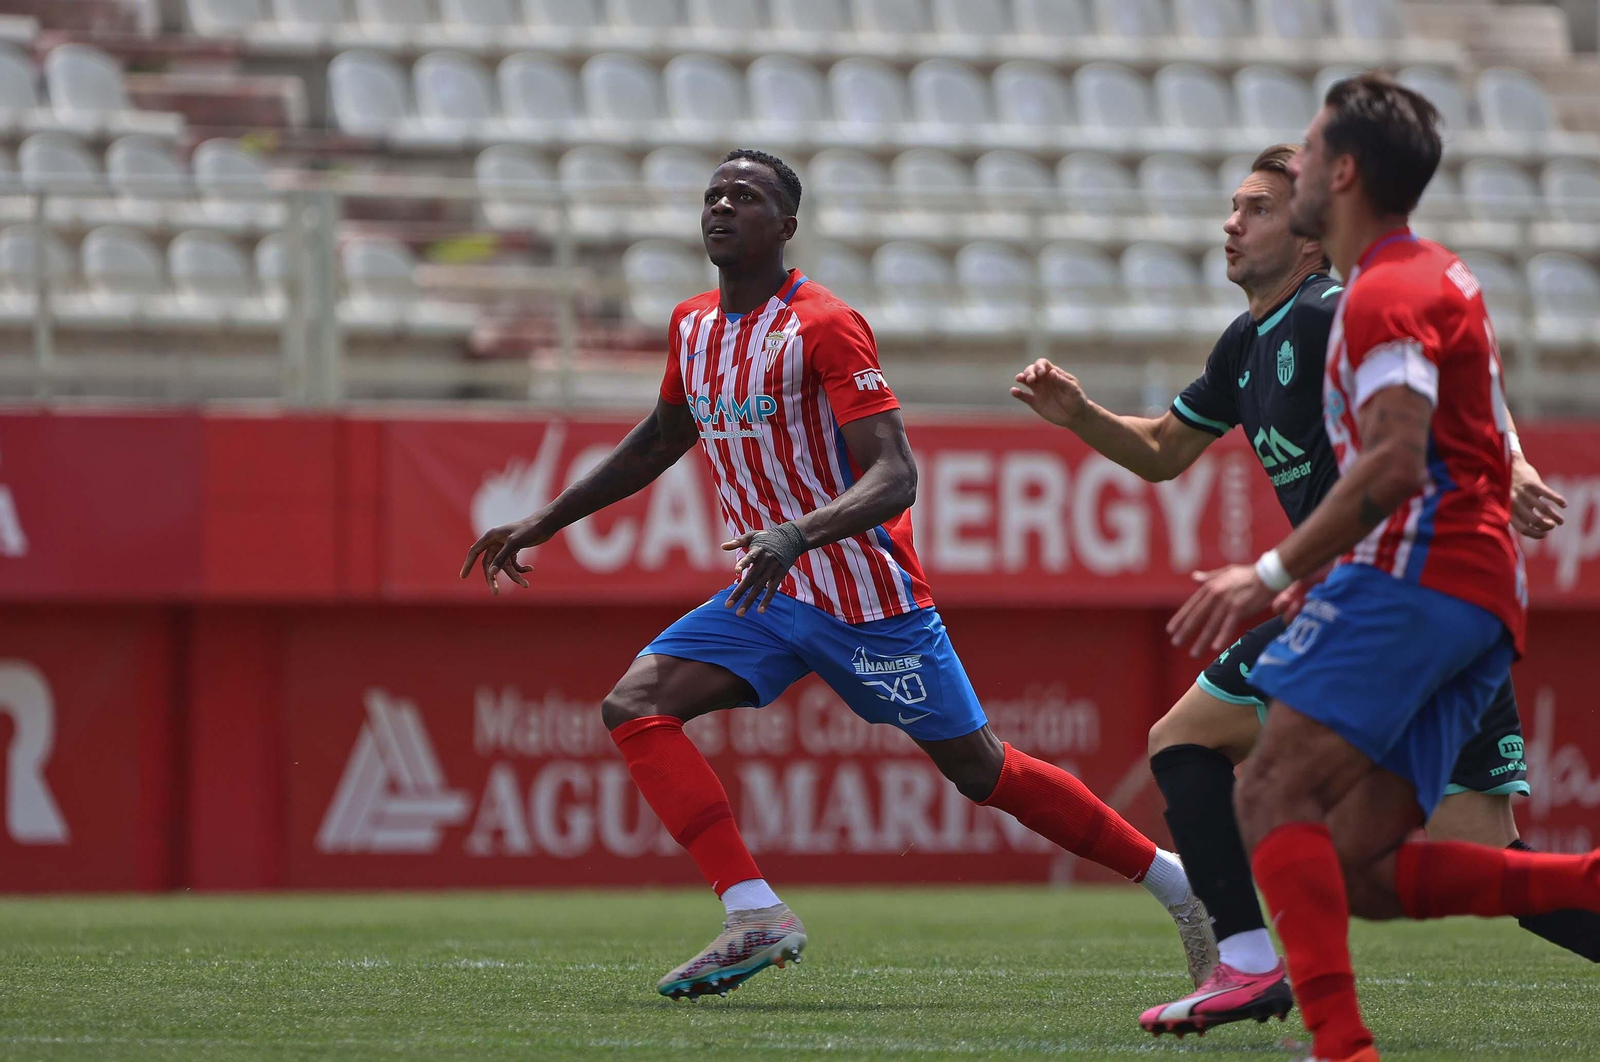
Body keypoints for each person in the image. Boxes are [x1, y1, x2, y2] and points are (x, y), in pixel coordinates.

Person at [461, 148, 1217, 1001]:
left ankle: (1178, 883)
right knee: (636, 703)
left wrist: (796, 532)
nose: (720, 207)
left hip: (865, 597)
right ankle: (753, 912)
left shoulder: (824, 323)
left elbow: (896, 473)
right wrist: (545, 519)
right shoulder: (693, 326)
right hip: (769, 591)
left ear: (784, 227)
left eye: (742, 197)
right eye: (712, 195)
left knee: (981, 771)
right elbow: (661, 440)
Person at [1011, 143, 1596, 1039]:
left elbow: (1449, 371)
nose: (1230, 224)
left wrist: (1508, 461)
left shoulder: (1335, 311)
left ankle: (1254, 971)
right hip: (1390, 610)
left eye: (1256, 208)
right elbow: (1167, 450)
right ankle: (1282, 989)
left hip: (1381, 598)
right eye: (1232, 207)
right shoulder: (1247, 343)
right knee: (1491, 870)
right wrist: (1082, 415)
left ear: (1311, 236)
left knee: (1194, 746)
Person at [1162, 74, 1600, 1062]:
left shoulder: (1382, 295)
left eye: (1307, 154)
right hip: (1472, 587)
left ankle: (1339, 1047)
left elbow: (1395, 458)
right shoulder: (1434, 274)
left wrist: (1266, 570)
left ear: (1344, 172)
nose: (1295, 165)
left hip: (1414, 576)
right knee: (1364, 869)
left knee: (1268, 789)